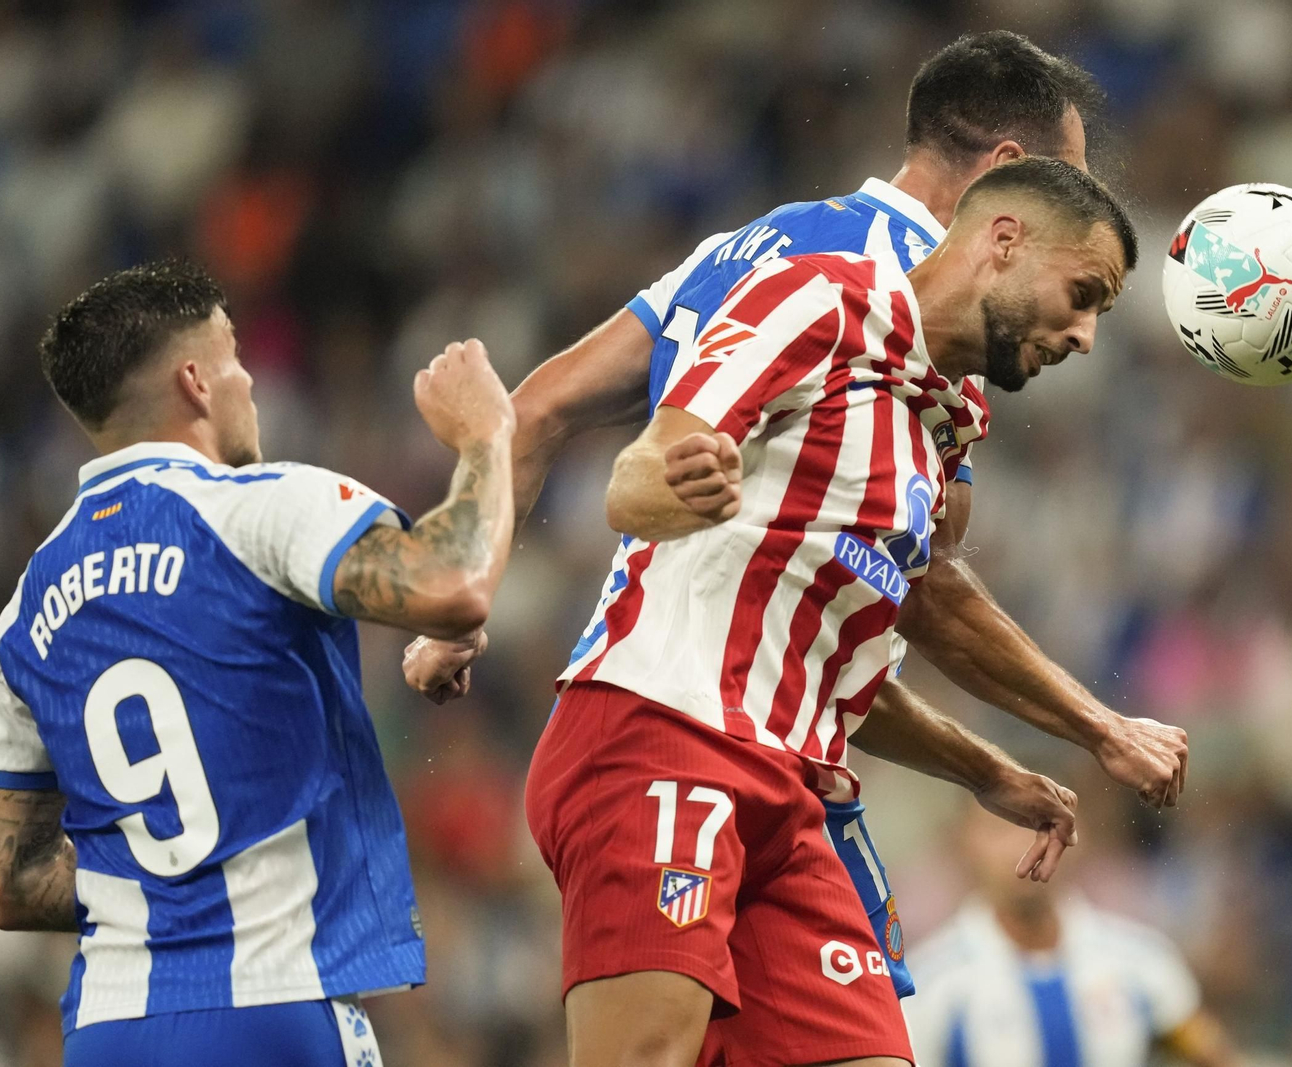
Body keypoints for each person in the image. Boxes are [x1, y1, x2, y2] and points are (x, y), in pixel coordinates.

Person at [406, 29, 1187, 1004]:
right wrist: (1095, 722)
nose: (1086, 215)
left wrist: (459, 601)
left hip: (783, 728)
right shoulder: (886, 293)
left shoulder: (758, 239)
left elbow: (539, 408)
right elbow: (919, 580)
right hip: (685, 721)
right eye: (1072, 189)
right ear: (1010, 186)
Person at [525, 156, 1140, 1067]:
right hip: (659, 733)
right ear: (1004, 241)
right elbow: (635, 481)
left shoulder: (945, 420)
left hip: (790, 791)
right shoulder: (817, 299)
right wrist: (687, 482)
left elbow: (833, 664)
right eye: (1083, 293)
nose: (1086, 334)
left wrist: (985, 769)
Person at [0, 260, 517, 1067]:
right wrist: (486, 435)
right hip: (275, 1007)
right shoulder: (257, 507)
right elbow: (455, 581)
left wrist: (156, 893)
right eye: (236, 356)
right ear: (196, 380)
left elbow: (10, 884)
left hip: (109, 1031)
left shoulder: (22, 617)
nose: (251, 380)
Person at [904, 813, 1239, 1067]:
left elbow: (1212, 1053)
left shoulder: (1140, 959)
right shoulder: (928, 982)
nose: (1020, 849)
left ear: (1076, 836)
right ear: (965, 844)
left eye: (1040, 828)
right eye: (999, 829)